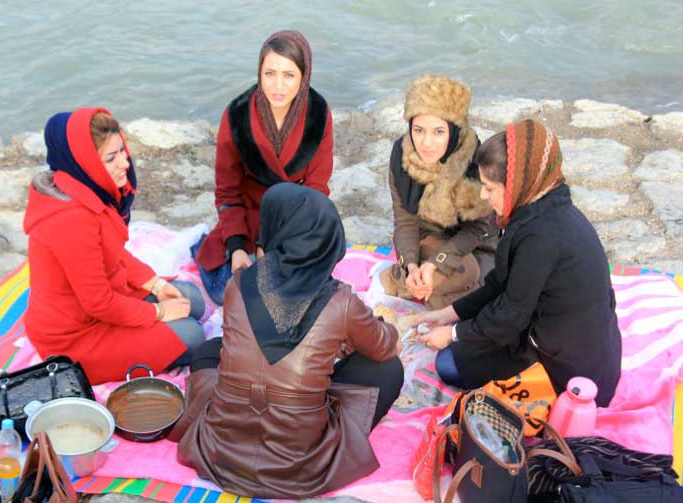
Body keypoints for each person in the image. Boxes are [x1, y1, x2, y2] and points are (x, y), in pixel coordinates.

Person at [171, 183, 403, 499]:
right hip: (298, 463)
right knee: (388, 369)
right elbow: (384, 346)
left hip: (222, 450)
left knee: (211, 350)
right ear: (328, 240)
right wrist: (380, 326)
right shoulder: (342, 302)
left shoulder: (239, 284)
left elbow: (260, 343)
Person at [414, 119, 622, 407]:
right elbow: (502, 283)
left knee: (448, 362)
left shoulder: (540, 237)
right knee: (464, 348)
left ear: (515, 185)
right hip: (584, 347)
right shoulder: (545, 209)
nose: (484, 196)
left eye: (489, 188)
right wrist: (449, 313)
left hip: (573, 372)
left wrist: (451, 335)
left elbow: (509, 316)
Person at [23, 107, 206, 384]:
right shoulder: (69, 220)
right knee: (192, 335)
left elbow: (114, 252)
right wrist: (157, 312)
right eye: (111, 158)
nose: (125, 164)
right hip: (75, 337)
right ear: (84, 163)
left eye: (122, 151)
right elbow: (98, 302)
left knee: (191, 298)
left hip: (104, 303)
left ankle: (156, 329)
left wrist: (156, 285)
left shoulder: (85, 188)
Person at [192, 30, 334, 305]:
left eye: (289, 75)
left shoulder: (318, 114)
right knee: (231, 296)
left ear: (304, 77)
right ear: (259, 72)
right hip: (246, 219)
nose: (277, 85)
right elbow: (227, 191)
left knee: (300, 297)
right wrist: (236, 247)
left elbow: (316, 192)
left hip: (294, 224)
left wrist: (272, 246)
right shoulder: (237, 114)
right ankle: (212, 244)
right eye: (269, 73)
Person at [381, 74, 497, 309]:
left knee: (472, 272)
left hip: (474, 243)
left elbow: (478, 228)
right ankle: (417, 283)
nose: (426, 142)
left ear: (453, 130)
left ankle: (403, 284)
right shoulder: (402, 157)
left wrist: (436, 264)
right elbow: (405, 221)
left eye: (438, 132)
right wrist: (412, 266)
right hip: (427, 236)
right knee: (430, 277)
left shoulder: (475, 161)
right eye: (419, 130)